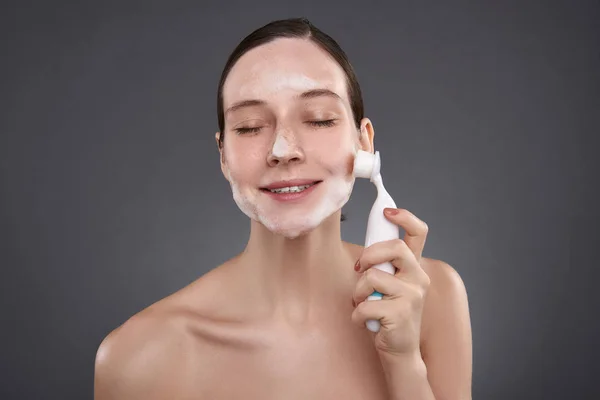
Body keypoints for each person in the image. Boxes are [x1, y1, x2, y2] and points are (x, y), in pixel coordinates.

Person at [94, 17, 472, 399]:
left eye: (319, 119)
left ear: (364, 145)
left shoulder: (433, 297)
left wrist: (403, 361)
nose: (282, 150)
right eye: (249, 127)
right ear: (223, 155)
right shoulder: (140, 357)